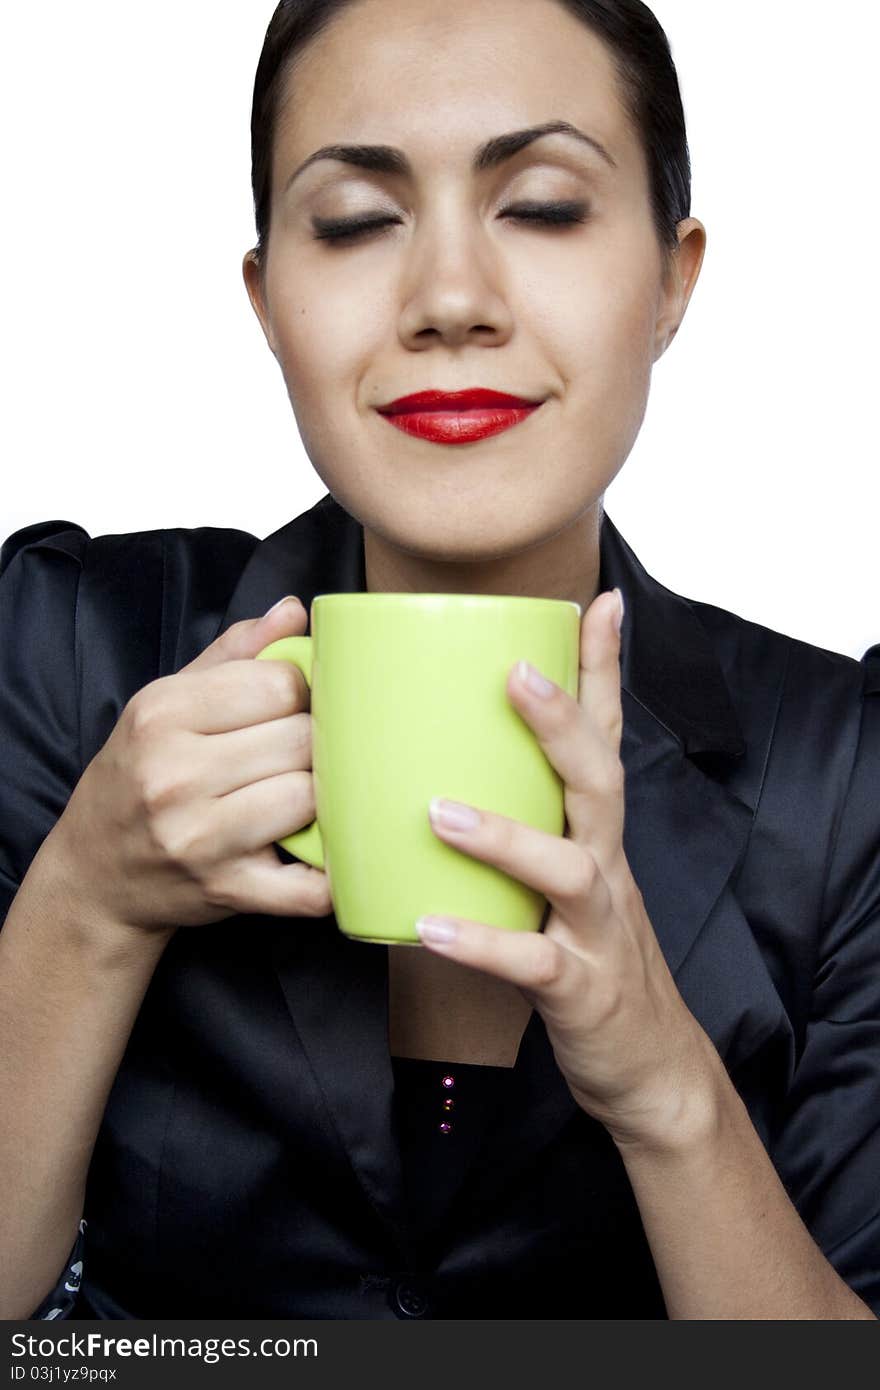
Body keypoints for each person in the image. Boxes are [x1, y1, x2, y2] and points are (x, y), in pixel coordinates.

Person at [1, 0, 878, 1321]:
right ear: (266, 298)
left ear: (673, 275)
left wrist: (668, 1095)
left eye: (542, 205)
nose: (450, 299)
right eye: (355, 220)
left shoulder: (844, 772)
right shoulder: (73, 649)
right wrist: (89, 900)